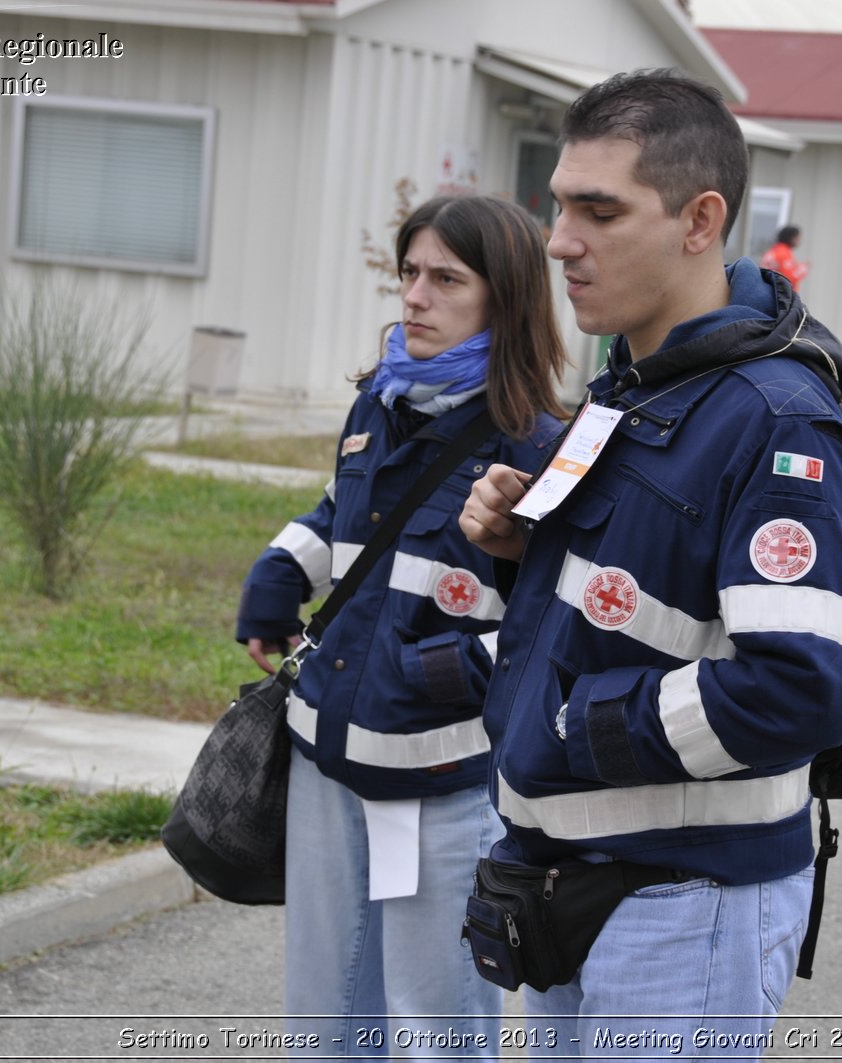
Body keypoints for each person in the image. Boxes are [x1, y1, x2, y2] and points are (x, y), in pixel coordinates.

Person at [460, 70, 842, 1052]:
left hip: (685, 900)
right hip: (572, 870)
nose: (560, 240)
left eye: (599, 211)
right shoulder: (633, 386)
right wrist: (524, 551)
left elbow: (801, 689)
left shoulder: (774, 421)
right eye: (560, 205)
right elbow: (637, 604)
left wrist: (570, 727)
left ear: (700, 221)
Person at [237, 194, 566, 1056]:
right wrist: (280, 573)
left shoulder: (540, 447)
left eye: (445, 278)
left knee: (435, 1027)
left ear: (506, 297)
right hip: (326, 752)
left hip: (439, 778)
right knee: (324, 1015)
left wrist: (450, 674)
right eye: (409, 273)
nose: (414, 296)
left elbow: (558, 623)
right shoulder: (378, 403)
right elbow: (342, 511)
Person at [759, 224, 808, 290]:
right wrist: (803, 267)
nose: (799, 241)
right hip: (778, 294)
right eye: (797, 238)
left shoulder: (774, 250)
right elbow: (789, 279)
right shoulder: (784, 253)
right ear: (791, 238)